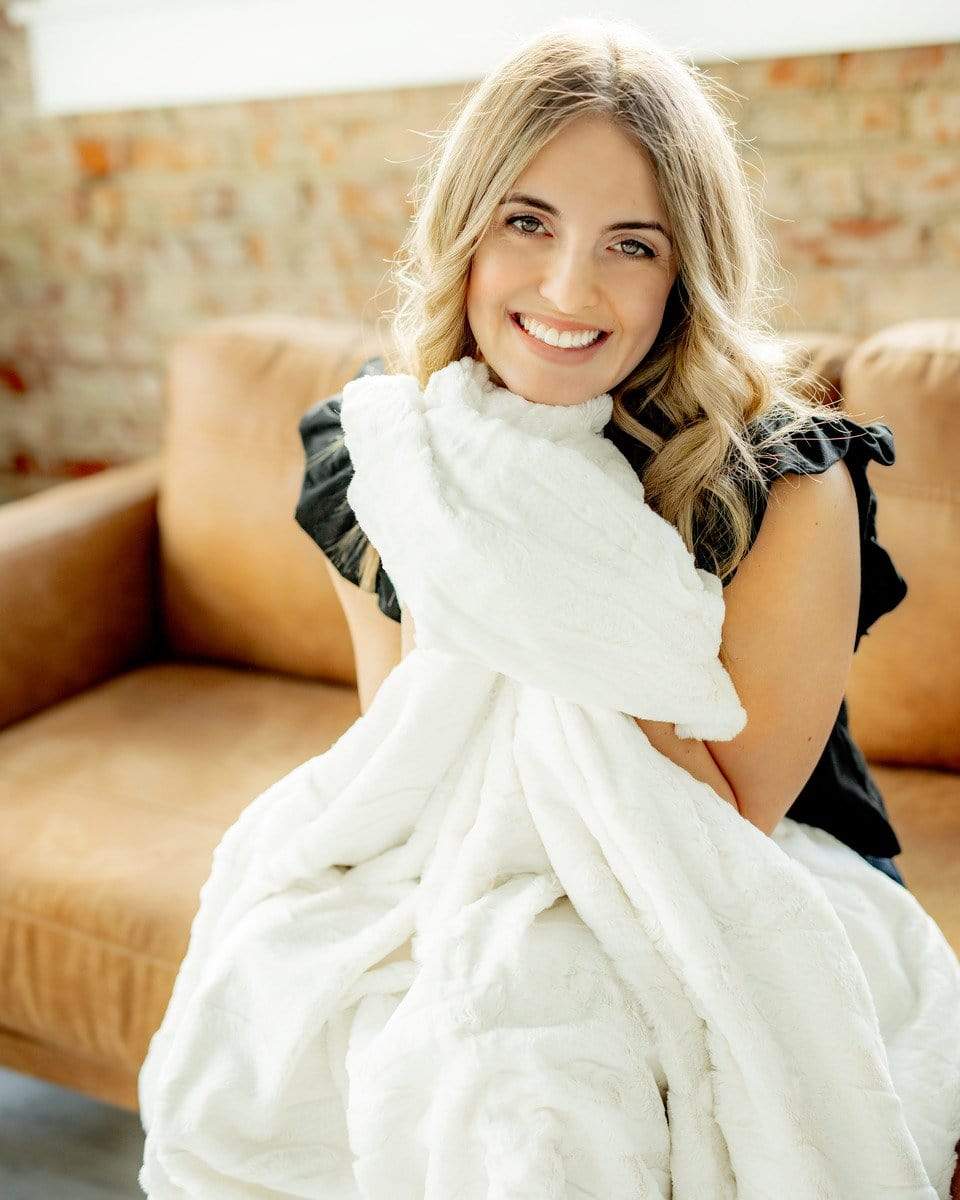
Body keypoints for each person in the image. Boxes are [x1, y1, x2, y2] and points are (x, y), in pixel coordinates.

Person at [296, 19, 911, 893]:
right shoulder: (387, 451)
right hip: (494, 842)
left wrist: (537, 572)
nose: (567, 290)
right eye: (526, 223)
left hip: (765, 873)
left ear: (684, 275)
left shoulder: (784, 486)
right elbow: (414, 753)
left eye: (632, 244)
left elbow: (728, 830)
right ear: (465, 231)